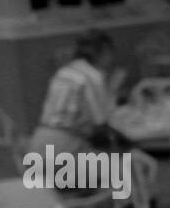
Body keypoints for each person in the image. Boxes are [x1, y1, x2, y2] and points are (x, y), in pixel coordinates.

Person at [29, 29, 122, 157]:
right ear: (104, 52)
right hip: (63, 147)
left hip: (38, 144)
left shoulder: (64, 71)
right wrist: (112, 90)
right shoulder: (93, 76)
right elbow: (101, 123)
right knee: (117, 170)